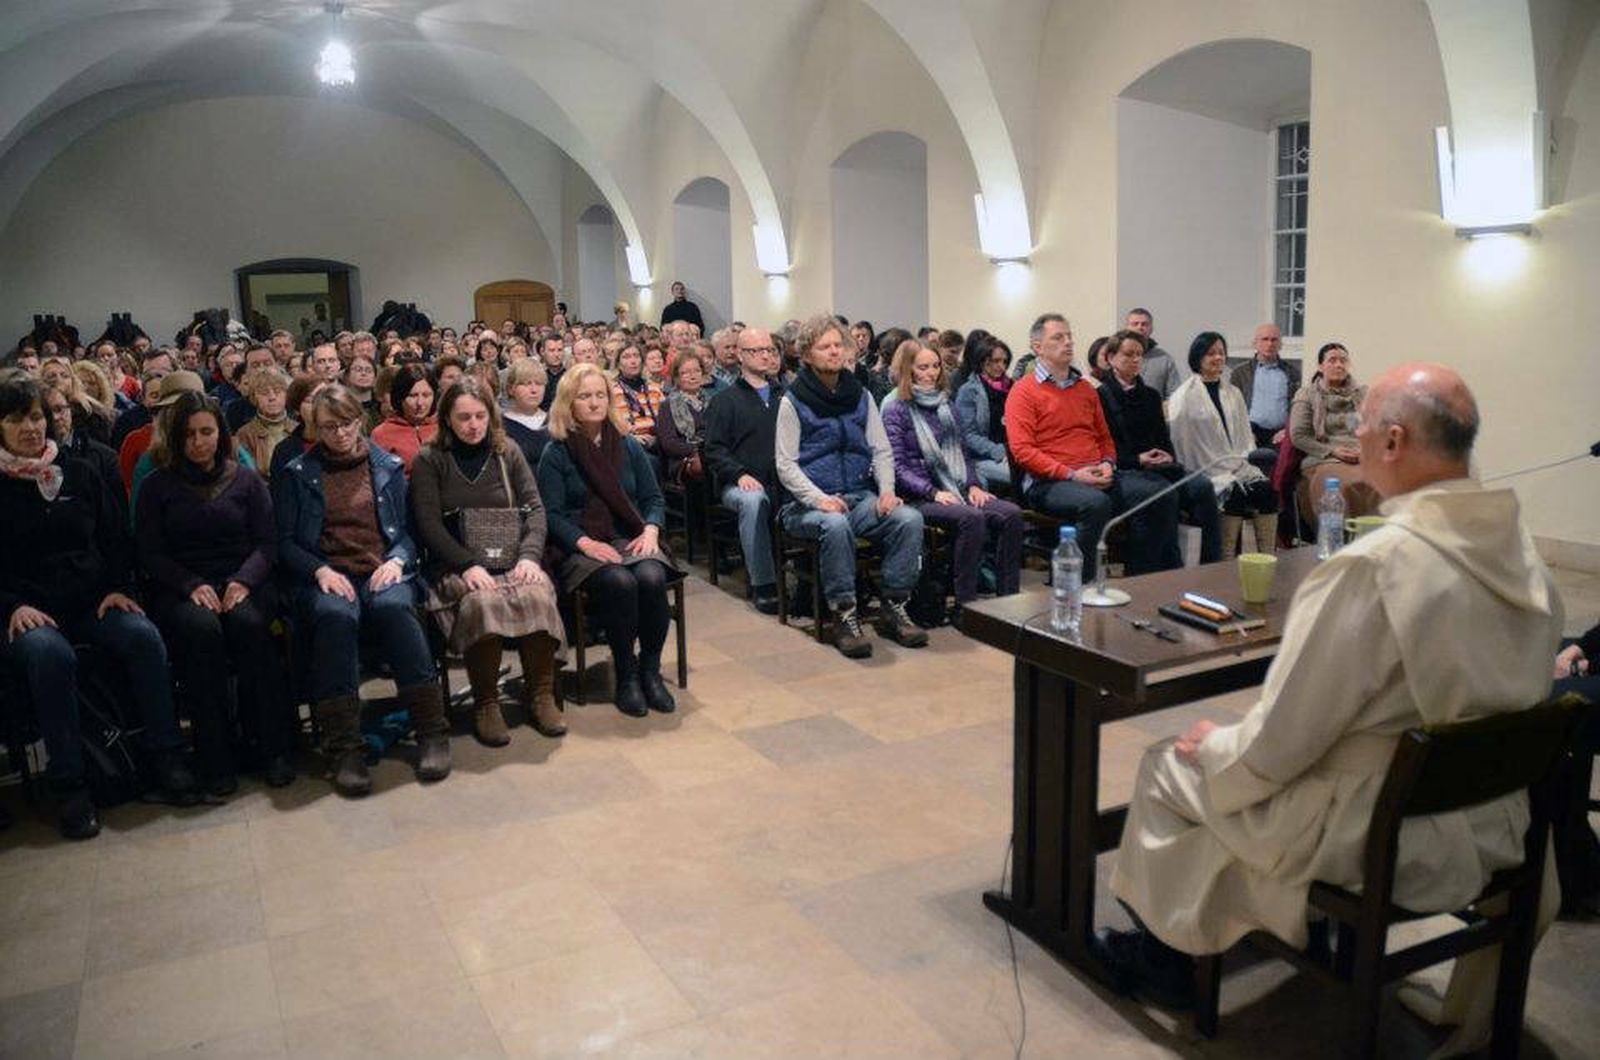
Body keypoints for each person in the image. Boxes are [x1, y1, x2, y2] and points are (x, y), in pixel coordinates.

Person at [1095, 363, 1564, 1053]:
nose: (1355, 442)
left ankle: (1169, 962)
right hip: (1495, 822)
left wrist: (1217, 746)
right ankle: (1281, 923)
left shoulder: (1377, 569)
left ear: (1396, 442)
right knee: (1238, 774)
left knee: (1175, 764)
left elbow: (1282, 743)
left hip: (1382, 836)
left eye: (1364, 429)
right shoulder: (1523, 554)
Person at [0, 376, 197, 838]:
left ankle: (166, 755)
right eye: (14, 420)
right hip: (26, 609)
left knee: (143, 636)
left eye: (35, 417)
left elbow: (114, 538)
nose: (30, 428)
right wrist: (12, 606)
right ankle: (71, 785)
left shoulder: (79, 469)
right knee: (51, 656)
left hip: (90, 600)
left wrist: (118, 585)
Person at [274, 385, 449, 795]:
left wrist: (398, 561)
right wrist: (318, 570)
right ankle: (345, 747)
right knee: (334, 616)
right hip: (329, 573)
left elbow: (409, 532)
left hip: (381, 569)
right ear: (315, 427)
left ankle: (430, 730)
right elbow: (284, 542)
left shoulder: (385, 465)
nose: (339, 434)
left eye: (347, 423)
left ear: (360, 420)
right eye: (329, 426)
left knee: (395, 609)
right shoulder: (297, 473)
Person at [135, 392, 294, 792]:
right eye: (188, 434)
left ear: (220, 434)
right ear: (175, 438)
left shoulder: (244, 479)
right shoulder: (158, 485)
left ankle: (271, 747)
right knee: (201, 632)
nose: (198, 442)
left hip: (245, 578)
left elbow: (267, 543)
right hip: (182, 584)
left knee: (249, 625)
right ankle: (215, 755)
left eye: (206, 432)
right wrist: (191, 585)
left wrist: (243, 580)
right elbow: (150, 553)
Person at [411, 380, 567, 745]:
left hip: (511, 556)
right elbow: (428, 525)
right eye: (463, 417)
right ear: (447, 419)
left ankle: (541, 694)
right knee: (483, 602)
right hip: (456, 562)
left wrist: (530, 557)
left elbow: (535, 508)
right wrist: (467, 564)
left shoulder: (506, 450)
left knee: (538, 594)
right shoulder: (430, 460)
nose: (473, 425)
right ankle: (486, 703)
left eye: (480, 416)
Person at [775, 314, 928, 658]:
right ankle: (844, 613)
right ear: (807, 355)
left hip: (858, 497)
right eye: (823, 346)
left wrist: (887, 491)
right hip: (806, 506)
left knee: (909, 519)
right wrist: (819, 499)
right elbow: (785, 465)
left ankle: (894, 604)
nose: (833, 352)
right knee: (835, 524)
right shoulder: (793, 400)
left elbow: (881, 448)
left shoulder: (859, 394)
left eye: (837, 345)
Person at [537, 364, 681, 717]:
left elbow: (652, 499)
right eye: (584, 396)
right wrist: (584, 543)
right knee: (619, 581)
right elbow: (551, 514)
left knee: (650, 577)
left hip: (629, 535)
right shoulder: (556, 452)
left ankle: (650, 671)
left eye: (600, 395)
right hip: (580, 545)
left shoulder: (628, 445)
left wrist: (651, 530)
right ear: (569, 404)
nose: (594, 402)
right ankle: (626, 674)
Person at [1006, 313, 1180, 581]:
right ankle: (1077, 585)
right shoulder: (1023, 391)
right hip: (1050, 481)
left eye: (1069, 336)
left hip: (1095, 471)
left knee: (1160, 494)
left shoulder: (1085, 389)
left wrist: (1107, 463)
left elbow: (1104, 439)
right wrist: (1073, 475)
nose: (1068, 342)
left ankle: (1145, 581)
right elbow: (1023, 451)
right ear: (1037, 347)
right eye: (1058, 337)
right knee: (1095, 503)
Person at [882, 340, 1023, 608]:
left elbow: (963, 454)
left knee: (1012, 514)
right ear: (908, 370)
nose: (931, 373)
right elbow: (898, 467)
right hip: (918, 495)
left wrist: (972, 485)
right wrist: (933, 492)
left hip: (955, 487)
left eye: (935, 366)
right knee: (971, 518)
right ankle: (965, 605)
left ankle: (1008, 601)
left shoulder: (947, 404)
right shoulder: (896, 409)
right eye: (923, 367)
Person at [1097, 330, 1223, 565]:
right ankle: (1155, 571)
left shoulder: (1151, 396)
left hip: (1157, 465)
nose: (1136, 360)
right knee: (1161, 493)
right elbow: (1103, 447)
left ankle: (1210, 566)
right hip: (1126, 468)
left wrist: (1167, 455)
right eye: (1128, 354)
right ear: (1111, 358)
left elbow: (1163, 440)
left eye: (1139, 355)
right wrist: (1138, 459)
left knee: (1202, 487)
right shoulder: (1100, 397)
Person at [1168, 332, 1280, 559]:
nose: (1217, 358)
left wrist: (1240, 461)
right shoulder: (1184, 395)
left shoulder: (1233, 392)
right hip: (1204, 467)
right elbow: (1182, 442)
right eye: (1211, 353)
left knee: (1266, 491)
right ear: (1197, 357)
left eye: (1221, 353)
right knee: (1234, 495)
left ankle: (1268, 558)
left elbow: (1243, 435)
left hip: (1237, 463)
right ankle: (1226, 561)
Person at [703, 327, 784, 614]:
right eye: (756, 351)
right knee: (754, 501)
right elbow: (713, 450)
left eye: (769, 350)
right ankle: (763, 583)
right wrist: (739, 474)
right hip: (738, 483)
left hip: (782, 480)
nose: (765, 356)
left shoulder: (784, 395)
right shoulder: (724, 401)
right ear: (739, 354)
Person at [1289, 341, 1380, 523]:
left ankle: (1372, 538)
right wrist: (1332, 451)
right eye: (1332, 360)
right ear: (1321, 366)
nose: (1339, 364)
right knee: (1342, 486)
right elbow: (1299, 436)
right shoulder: (1307, 394)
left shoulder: (1363, 394)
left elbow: (1376, 428)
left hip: (1361, 457)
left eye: (1343, 360)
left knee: (1381, 483)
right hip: (1324, 458)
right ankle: (1338, 540)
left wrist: (1365, 450)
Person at [1230, 323, 1301, 473]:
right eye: (1264, 339)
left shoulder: (1292, 373)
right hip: (1249, 432)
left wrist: (1287, 430)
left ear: (1281, 344)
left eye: (1274, 340)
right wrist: (1245, 431)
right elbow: (1232, 407)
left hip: (1279, 434)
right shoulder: (1240, 373)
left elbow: (1298, 407)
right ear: (1255, 343)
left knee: (1280, 470)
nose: (1269, 344)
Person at [952, 332, 1013, 491]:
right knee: (1024, 476)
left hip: (1014, 452)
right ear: (982, 362)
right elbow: (968, 435)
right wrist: (999, 451)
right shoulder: (969, 391)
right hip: (984, 457)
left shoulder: (1014, 387)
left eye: (1005, 361)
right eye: (996, 361)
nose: (1002, 366)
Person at [369, 365, 437, 475]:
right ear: (399, 397)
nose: (420, 403)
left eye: (426, 395)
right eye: (413, 396)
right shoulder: (381, 434)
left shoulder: (444, 427)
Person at [656, 349, 710, 486]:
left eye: (697, 371)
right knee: (702, 465)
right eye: (685, 373)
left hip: (713, 452)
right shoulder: (667, 405)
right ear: (676, 378)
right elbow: (669, 443)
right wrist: (698, 452)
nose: (693, 376)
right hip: (684, 459)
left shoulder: (714, 401)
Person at [235, 366, 293, 477]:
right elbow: (248, 478)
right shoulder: (244, 434)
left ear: (286, 394)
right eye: (264, 393)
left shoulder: (298, 429)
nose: (272, 397)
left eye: (277, 391)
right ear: (254, 397)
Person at [612, 343, 665, 452]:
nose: (633, 361)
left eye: (636, 356)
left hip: (658, 441)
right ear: (618, 364)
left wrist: (657, 438)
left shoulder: (654, 389)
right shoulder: (612, 392)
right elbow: (613, 426)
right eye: (626, 357)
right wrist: (632, 438)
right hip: (629, 444)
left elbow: (666, 421)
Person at [501, 359, 551, 471]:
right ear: (511, 389)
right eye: (526, 384)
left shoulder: (555, 422)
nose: (534, 390)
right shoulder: (501, 425)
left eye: (539, 383)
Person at [1123, 307, 1184, 398]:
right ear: (1126, 327)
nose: (1140, 327)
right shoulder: (1116, 356)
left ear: (1151, 328)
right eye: (1135, 324)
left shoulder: (1164, 359)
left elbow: (1175, 395)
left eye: (1144, 324)